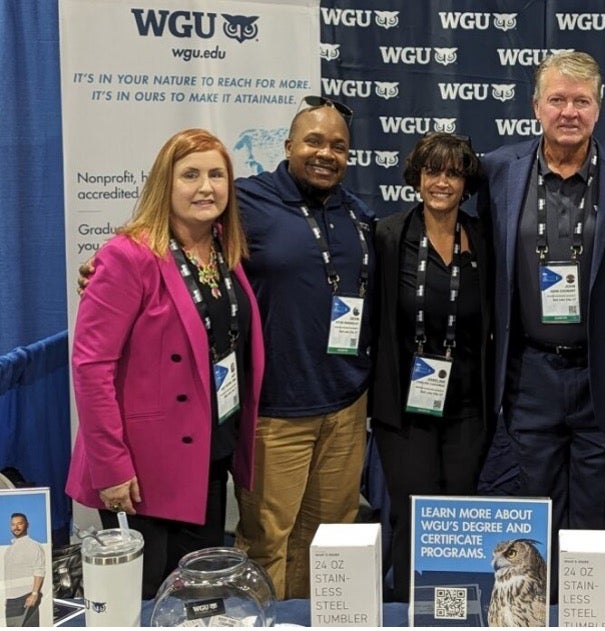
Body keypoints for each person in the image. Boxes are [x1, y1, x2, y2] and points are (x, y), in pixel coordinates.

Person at [66, 129, 266, 598]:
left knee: (196, 597)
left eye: (217, 175)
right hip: (140, 472)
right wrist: (111, 467)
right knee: (142, 599)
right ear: (165, 183)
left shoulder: (222, 249)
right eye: (190, 175)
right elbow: (91, 367)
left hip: (206, 457)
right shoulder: (126, 256)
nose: (206, 187)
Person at [477, 51, 605, 545]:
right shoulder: (497, 171)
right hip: (527, 376)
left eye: (582, 101)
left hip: (601, 377)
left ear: (599, 108)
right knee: (534, 521)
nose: (569, 112)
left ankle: (590, 620)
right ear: (536, 106)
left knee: (598, 526)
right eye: (557, 100)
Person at [233, 97, 376, 599]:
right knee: (266, 542)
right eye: (314, 141)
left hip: (345, 407)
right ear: (289, 145)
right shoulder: (243, 201)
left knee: (330, 540)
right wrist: (106, 264)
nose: (325, 153)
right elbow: (169, 235)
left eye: (338, 146)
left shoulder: (356, 213)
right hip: (275, 412)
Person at [372, 132, 493, 602]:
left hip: (468, 406)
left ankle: (453, 606)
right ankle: (408, 607)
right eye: (432, 171)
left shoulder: (484, 239)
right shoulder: (387, 235)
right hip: (404, 407)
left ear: (466, 182)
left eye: (453, 173)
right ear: (416, 178)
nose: (441, 182)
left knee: (456, 513)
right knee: (412, 509)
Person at [5, 513, 45, 627]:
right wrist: (7, 597)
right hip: (12, 600)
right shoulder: (10, 549)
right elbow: (10, 575)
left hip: (26, 597)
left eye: (19, 524)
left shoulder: (33, 546)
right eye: (13, 524)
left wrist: (34, 594)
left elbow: (39, 570)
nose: (16, 527)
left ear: (27, 525)